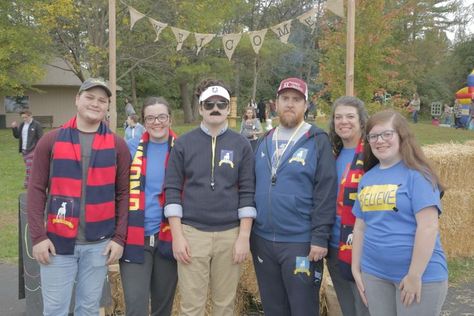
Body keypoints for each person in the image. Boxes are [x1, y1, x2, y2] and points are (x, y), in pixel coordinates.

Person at [27, 78, 131, 316]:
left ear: (107, 107)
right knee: (55, 310)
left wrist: (119, 237)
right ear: (77, 100)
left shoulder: (118, 145)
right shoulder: (50, 140)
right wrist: (38, 237)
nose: (95, 104)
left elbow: (124, 194)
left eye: (102, 100)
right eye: (90, 97)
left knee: (89, 308)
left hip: (99, 244)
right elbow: (35, 189)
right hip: (56, 243)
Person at [164, 79, 256, 315]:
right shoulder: (183, 143)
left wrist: (243, 237)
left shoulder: (242, 144)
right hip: (192, 234)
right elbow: (172, 190)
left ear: (228, 108)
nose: (215, 108)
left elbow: (247, 192)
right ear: (201, 107)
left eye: (221, 104)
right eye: (209, 104)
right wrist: (177, 236)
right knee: (191, 306)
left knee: (224, 306)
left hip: (230, 235)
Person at [251, 77, 337, 316]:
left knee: (302, 308)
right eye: (285, 99)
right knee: (273, 308)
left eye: (296, 100)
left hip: (300, 241)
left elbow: (326, 191)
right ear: (275, 104)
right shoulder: (263, 141)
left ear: (305, 105)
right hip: (263, 240)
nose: (290, 104)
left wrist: (320, 237)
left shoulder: (317, 141)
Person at [351, 110, 448, 316]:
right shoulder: (367, 179)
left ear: (402, 136)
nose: (380, 141)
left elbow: (428, 227)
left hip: (420, 276)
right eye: (373, 136)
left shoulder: (418, 175)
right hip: (375, 274)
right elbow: (360, 227)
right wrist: (355, 268)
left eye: (387, 134)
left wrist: (414, 275)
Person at [120, 97, 178, 316]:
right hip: (136, 239)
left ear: (169, 119)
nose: (157, 122)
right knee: (135, 306)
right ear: (143, 121)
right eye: (150, 118)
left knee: (163, 308)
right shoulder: (130, 149)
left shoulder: (181, 149)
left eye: (161, 116)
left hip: (169, 239)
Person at [327, 96, 370, 316]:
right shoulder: (330, 154)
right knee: (348, 308)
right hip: (334, 245)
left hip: (363, 247)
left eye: (350, 116)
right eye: (338, 117)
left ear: (362, 121)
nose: (344, 121)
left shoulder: (373, 154)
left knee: (365, 308)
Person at [11, 109, 43, 188]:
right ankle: (39, 182)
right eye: (23, 118)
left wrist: (38, 149)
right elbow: (17, 136)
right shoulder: (22, 125)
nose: (24, 119)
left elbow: (41, 138)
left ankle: (27, 184)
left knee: (29, 168)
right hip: (24, 150)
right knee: (32, 168)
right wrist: (14, 128)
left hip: (33, 150)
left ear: (30, 116)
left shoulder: (36, 125)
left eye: (26, 117)